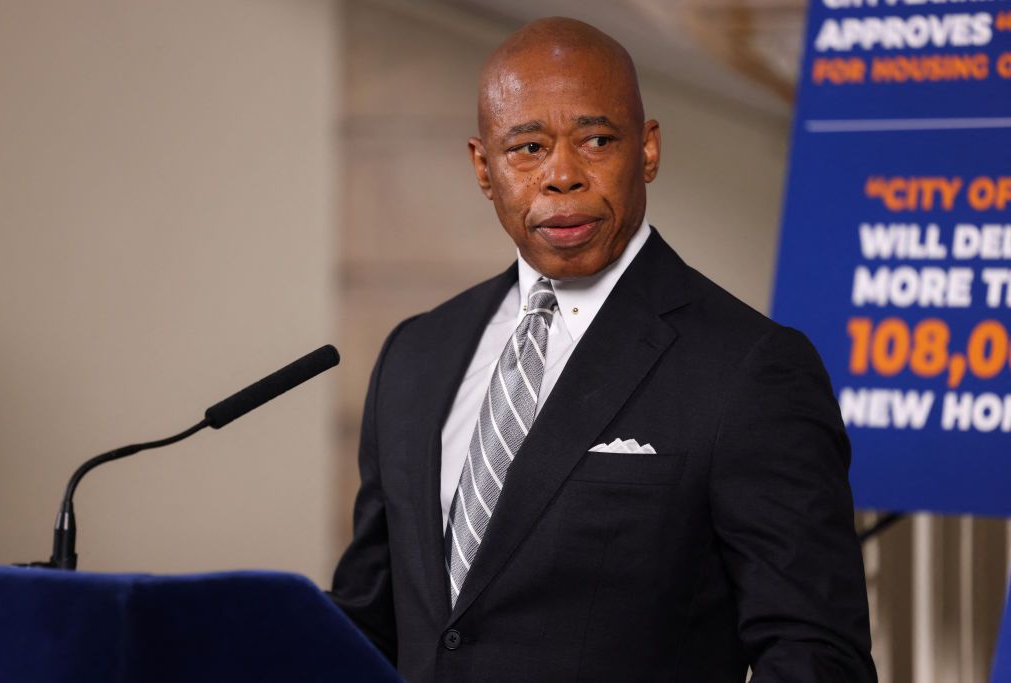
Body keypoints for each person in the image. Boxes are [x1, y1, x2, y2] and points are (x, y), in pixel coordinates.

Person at [330, 16, 876, 683]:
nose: (562, 175)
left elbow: (817, 655)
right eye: (527, 148)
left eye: (595, 139)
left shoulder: (752, 370)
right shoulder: (414, 355)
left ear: (646, 150)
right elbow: (367, 622)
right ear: (482, 166)